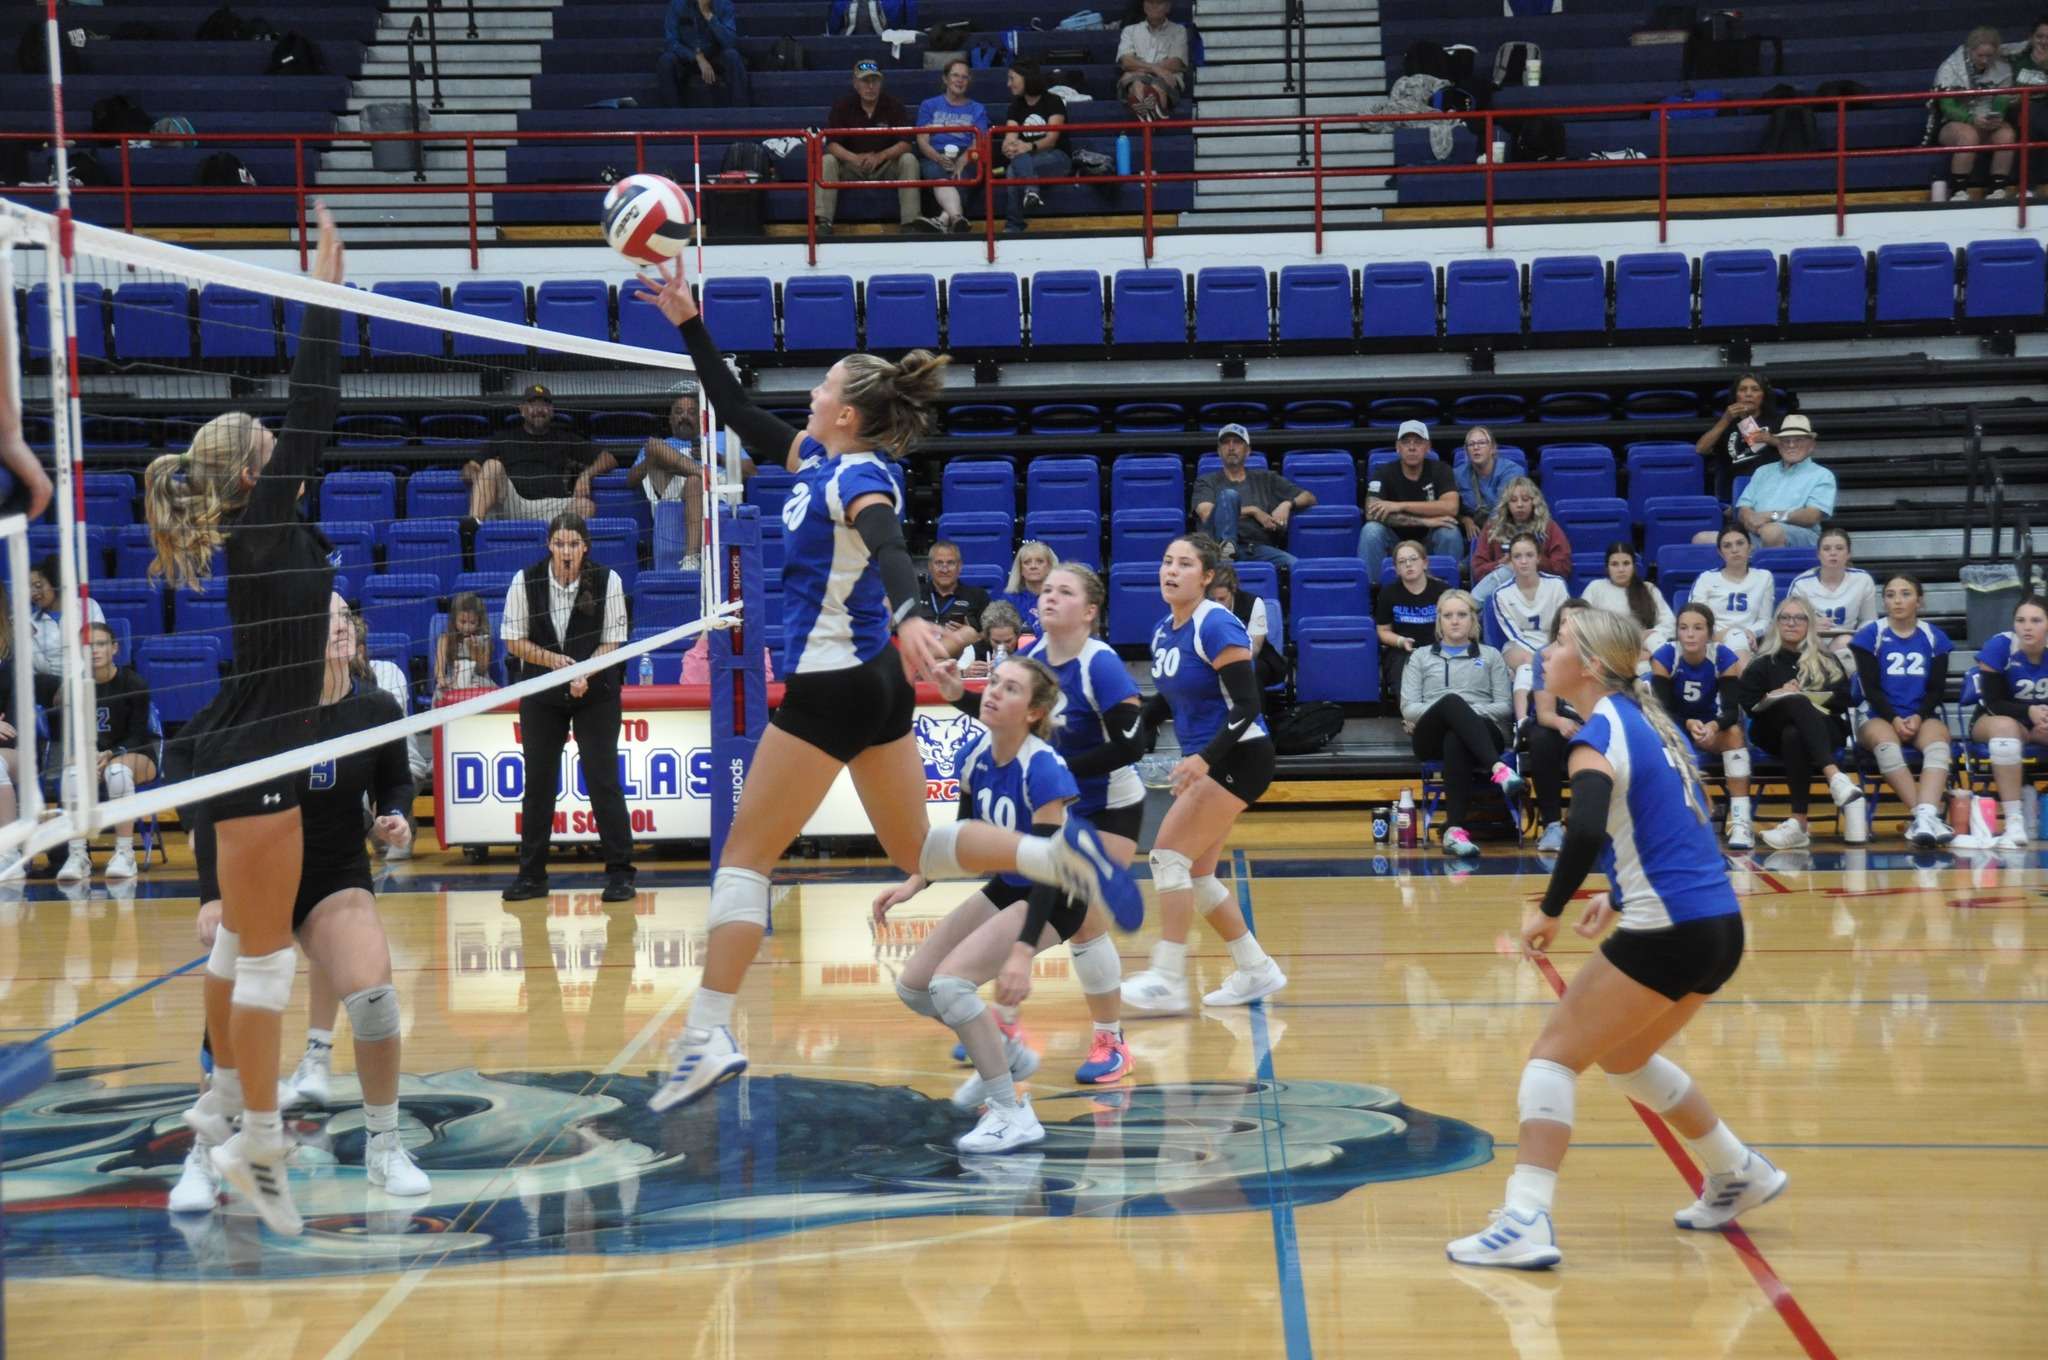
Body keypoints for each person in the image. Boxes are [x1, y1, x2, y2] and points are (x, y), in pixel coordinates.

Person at [630, 255, 1139, 1111]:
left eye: (824, 386)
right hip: (870, 688)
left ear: (849, 411)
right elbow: (739, 411)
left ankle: (708, 1032)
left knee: (745, 859)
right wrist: (688, 320)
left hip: (836, 680)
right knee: (917, 855)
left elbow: (892, 543)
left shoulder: (859, 474)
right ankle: (1039, 854)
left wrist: (910, 616)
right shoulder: (810, 464)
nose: (810, 396)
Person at [1446, 606, 1784, 1271]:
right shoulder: (1650, 726)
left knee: (1551, 1058)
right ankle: (1736, 1169)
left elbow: (1586, 827)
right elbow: (1682, 823)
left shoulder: (1598, 733)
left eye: (1561, 642)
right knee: (1626, 1059)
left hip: (1672, 929)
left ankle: (1525, 1217)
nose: (1547, 652)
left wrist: (1549, 908)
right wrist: (1619, 891)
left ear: (1591, 665)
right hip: (1717, 927)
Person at [144, 202, 346, 1237]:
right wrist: (323, 285)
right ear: (255, 467)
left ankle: (217, 1107)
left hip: (243, 748)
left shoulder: (272, 521)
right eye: (273, 441)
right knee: (264, 963)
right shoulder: (267, 518)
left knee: (235, 956)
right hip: (260, 757)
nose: (286, 437)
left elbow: (304, 414)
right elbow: (315, 395)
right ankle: (259, 1142)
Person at [174, 592, 428, 1212]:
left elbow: (397, 776)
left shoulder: (376, 707)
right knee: (228, 1005)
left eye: (344, 618)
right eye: (325, 618)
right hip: (256, 873)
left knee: (374, 999)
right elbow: (202, 790)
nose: (338, 627)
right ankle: (206, 1153)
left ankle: (384, 1145)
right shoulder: (259, 710)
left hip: (332, 873)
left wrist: (394, 814)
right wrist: (212, 894)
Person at [879, 657, 1102, 1153]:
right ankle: (1008, 1056)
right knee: (915, 988)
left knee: (951, 985)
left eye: (1011, 689)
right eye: (994, 683)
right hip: (1010, 885)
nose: (995, 692)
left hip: (1054, 893)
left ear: (1033, 711)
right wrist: (915, 882)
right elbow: (962, 841)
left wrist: (1023, 951)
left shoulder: (1043, 767)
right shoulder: (975, 756)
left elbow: (1048, 866)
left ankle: (1011, 1112)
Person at [1120, 535, 1287, 1014]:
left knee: (1166, 856)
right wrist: (1127, 726)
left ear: (1207, 576)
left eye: (1185, 564)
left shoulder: (1216, 624)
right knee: (1196, 873)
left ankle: (1169, 978)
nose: (1171, 570)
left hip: (1241, 755)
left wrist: (1205, 759)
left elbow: (1249, 703)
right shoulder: (1163, 630)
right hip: (1214, 758)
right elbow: (1166, 701)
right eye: (1167, 561)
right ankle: (1256, 969)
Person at [499, 512, 636, 904]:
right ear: (549, 546)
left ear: (585, 547)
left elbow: (615, 640)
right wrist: (555, 663)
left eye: (573, 544)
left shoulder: (608, 580)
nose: (566, 552)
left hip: (596, 691)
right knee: (538, 783)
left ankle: (621, 873)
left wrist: (585, 672)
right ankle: (531, 875)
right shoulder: (525, 581)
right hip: (543, 690)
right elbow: (513, 640)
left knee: (603, 779)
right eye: (559, 544)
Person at [1401, 588, 1521, 860]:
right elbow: (1408, 708)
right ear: (1439, 621)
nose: (1455, 621)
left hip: (1483, 731)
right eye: (1448, 615)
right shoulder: (1420, 657)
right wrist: (1452, 709)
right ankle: (1499, 769)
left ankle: (1454, 830)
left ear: (1473, 621)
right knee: (1452, 703)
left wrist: (1467, 714)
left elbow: (1504, 706)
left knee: (1456, 736)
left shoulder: (1491, 656)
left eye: (1462, 615)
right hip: (1430, 734)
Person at [1738, 595, 1866, 850]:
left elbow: (1845, 700)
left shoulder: (1826, 659)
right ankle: (1836, 778)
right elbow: (1749, 704)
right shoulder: (1764, 662)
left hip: (1823, 730)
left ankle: (1798, 823)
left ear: (1809, 623)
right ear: (1776, 623)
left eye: (1799, 618)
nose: (1791, 623)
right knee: (1793, 702)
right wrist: (1775, 696)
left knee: (1794, 733)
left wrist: (1809, 698)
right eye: (1785, 617)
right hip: (1769, 730)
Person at [1851, 575, 1957, 848]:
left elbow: (1936, 690)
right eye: (1890, 594)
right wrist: (1895, 718)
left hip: (1920, 714)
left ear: (1919, 601)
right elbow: (1870, 689)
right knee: (1887, 744)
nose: (1897, 600)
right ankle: (1924, 816)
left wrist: (1918, 716)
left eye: (1905, 593)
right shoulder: (1870, 635)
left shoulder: (1935, 637)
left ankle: (1924, 817)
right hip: (1877, 714)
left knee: (1938, 743)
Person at [53, 622, 158, 883]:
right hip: (92, 757)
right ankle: (78, 856)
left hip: (136, 754)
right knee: (73, 774)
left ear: (114, 648)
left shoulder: (134, 682)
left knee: (118, 772)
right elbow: (68, 736)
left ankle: (125, 853)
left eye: (101, 644)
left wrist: (111, 753)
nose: (95, 651)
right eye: (88, 646)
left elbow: (137, 734)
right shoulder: (75, 688)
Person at [1651, 602, 1754, 851]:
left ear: (1709, 632)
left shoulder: (1723, 657)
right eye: (1684, 628)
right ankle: (1669, 824)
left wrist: (1714, 726)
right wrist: (1687, 723)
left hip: (1709, 729)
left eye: (1697, 628)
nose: (1690, 634)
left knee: (1735, 734)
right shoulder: (1665, 656)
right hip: (1672, 728)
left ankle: (1741, 821)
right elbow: (1661, 711)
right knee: (1658, 738)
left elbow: (1731, 710)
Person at [632, 389, 747, 571]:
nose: (684, 416)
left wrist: (717, 458)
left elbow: (752, 471)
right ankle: (703, 474)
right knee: (653, 445)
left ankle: (691, 558)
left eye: (692, 412)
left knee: (694, 481)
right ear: (670, 419)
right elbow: (630, 480)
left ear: (702, 418)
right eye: (678, 412)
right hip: (672, 492)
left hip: (717, 493)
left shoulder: (721, 438)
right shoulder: (664, 444)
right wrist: (659, 461)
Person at [468, 384, 609, 524]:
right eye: (533, 405)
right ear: (522, 410)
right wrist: (480, 480)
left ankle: (562, 543)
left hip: (552, 508)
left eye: (544, 405)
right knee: (492, 466)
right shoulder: (504, 437)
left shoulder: (565, 438)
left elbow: (608, 458)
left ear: (552, 411)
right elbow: (470, 467)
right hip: (513, 505)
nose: (539, 410)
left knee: (586, 506)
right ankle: (473, 528)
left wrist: (586, 475)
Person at [1970, 595, 2047, 846]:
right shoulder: (1999, 646)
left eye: (2036, 620)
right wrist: (2030, 713)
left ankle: (2032, 803)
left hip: (2038, 723)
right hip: (1993, 718)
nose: (2027, 626)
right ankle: (2014, 822)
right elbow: (1992, 702)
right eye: (2020, 620)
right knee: (2006, 729)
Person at [1523, 598, 1595, 855]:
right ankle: (1552, 824)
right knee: (1541, 737)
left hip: (1596, 723)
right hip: (1561, 723)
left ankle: (1592, 826)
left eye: (1579, 621)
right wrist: (1562, 722)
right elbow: (1544, 713)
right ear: (1558, 627)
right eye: (1566, 621)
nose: (1571, 628)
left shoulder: (1603, 654)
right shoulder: (1544, 655)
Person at [817, 60, 921, 235]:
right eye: (865, 81)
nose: (870, 86)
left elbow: (906, 144)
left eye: (875, 81)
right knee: (826, 160)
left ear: (881, 83)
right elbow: (832, 145)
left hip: (885, 165)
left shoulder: (894, 105)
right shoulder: (842, 106)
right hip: (851, 166)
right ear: (855, 83)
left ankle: (910, 223)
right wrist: (855, 159)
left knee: (909, 160)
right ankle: (824, 222)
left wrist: (880, 156)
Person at [1191, 423, 1314, 569]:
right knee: (1229, 496)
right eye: (1225, 443)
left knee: (1296, 566)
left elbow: (1309, 497)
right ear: (1219, 451)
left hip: (1255, 549)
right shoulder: (1206, 481)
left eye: (1237, 442)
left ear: (1248, 451)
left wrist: (1287, 504)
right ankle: (1226, 554)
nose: (1231, 447)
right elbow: (1206, 513)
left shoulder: (1266, 478)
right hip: (1215, 550)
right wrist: (1253, 511)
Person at [1360, 420, 1463, 585]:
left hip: (1430, 539)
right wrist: (1425, 520)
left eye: (1418, 442)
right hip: (1394, 543)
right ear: (1397, 447)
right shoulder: (1384, 472)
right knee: (1371, 530)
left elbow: (1451, 507)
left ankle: (1448, 594)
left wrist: (1400, 505)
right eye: (1406, 442)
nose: (1412, 447)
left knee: (1449, 531)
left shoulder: (1441, 469)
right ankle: (1373, 594)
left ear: (1428, 447)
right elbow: (1372, 513)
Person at [1715, 415, 1834, 550]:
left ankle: (1768, 570)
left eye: (1799, 440)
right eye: (1785, 440)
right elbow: (1743, 508)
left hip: (1800, 536)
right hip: (1755, 532)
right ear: (1779, 445)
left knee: (1771, 531)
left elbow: (1812, 516)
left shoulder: (1822, 475)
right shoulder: (1763, 471)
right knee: (1704, 538)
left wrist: (1772, 516)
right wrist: (1750, 521)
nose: (1791, 445)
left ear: (1811, 445)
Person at [1931, 27, 2017, 201]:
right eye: (1980, 56)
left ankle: (1997, 188)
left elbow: (2002, 100)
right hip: (1954, 122)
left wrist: (1996, 117)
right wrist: (1970, 119)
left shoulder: (2002, 67)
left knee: (2007, 135)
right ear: (1970, 50)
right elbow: (1947, 106)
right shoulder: (1951, 67)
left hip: (1985, 119)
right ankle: (1959, 191)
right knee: (1968, 136)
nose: (1985, 60)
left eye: (1990, 56)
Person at [913, 58, 989, 234]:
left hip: (966, 154)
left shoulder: (977, 108)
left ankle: (943, 220)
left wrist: (962, 160)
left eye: (964, 77)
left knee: (966, 172)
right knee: (937, 174)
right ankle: (956, 218)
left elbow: (980, 139)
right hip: (935, 154)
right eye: (955, 75)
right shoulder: (929, 105)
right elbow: (922, 139)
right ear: (945, 79)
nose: (960, 80)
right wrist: (938, 158)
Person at [1470, 476, 1571, 606]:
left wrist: (1533, 561)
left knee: (1517, 566)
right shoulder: (1493, 527)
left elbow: (1563, 568)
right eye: (1513, 500)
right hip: (1502, 589)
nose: (1519, 505)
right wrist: (1502, 563)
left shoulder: (1549, 527)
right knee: (1509, 569)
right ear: (1506, 504)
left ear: (1534, 502)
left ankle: (1469, 605)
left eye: (1525, 499)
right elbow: (1478, 568)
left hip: (1540, 587)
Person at [26, 555, 106, 706]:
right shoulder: (28, 622)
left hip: (88, 679)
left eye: (38, 585)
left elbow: (97, 651)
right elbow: (40, 669)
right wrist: (28, 640)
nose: (33, 593)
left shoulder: (88, 606)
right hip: (51, 688)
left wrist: (71, 684)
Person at [999, 59, 1068, 233]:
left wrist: (1028, 147)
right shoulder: (1016, 106)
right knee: (1013, 168)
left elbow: (1052, 139)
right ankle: (1031, 191)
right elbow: (1010, 137)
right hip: (1026, 159)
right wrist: (1008, 147)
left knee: (1013, 169)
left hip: (1057, 157)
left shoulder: (1053, 101)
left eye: (1012, 78)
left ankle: (1014, 225)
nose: (1008, 84)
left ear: (1026, 78)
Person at [1488, 532, 1572, 672]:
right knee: (1527, 662)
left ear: (1538, 558)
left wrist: (1553, 650)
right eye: (1517, 556)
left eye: (1529, 555)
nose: (1523, 561)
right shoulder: (1501, 594)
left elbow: (1566, 624)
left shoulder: (1557, 585)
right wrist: (1542, 657)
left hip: (1556, 642)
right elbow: (1515, 636)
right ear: (1510, 560)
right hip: (1519, 647)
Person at [1375, 539, 1449, 699]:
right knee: (1403, 671)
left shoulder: (1443, 591)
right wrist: (1401, 641)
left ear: (1425, 563)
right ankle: (1412, 717)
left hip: (1439, 647)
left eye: (1413, 559)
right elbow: (1382, 631)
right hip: (1403, 650)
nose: (1408, 564)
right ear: (1396, 569)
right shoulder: (1388, 594)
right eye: (1402, 562)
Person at [1788, 524, 1877, 657]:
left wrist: (1858, 638)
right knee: (1812, 642)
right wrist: (1809, 624)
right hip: (1811, 638)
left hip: (1846, 640)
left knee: (1845, 642)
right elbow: (1789, 620)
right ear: (1818, 554)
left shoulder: (1863, 580)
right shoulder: (1802, 584)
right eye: (1826, 548)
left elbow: (1869, 620)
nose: (1833, 553)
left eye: (1839, 548)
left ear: (1848, 554)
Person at [1693, 370, 1782, 498]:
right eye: (1742, 389)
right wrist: (1725, 420)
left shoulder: (1778, 421)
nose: (1748, 394)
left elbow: (1796, 448)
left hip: (1770, 489)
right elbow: (1701, 449)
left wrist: (1771, 439)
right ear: (1736, 396)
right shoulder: (1726, 424)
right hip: (1735, 490)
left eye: (1755, 389)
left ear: (1764, 396)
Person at [1690, 525, 1775, 655]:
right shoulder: (1706, 578)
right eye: (1727, 546)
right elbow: (1696, 618)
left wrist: (1750, 632)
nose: (1734, 550)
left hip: (1750, 641)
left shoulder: (1764, 577)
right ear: (1720, 552)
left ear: (1750, 547)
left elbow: (1765, 620)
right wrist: (1721, 634)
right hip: (1713, 642)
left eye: (1740, 543)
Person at [1581, 542, 1675, 656]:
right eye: (1615, 564)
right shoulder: (1595, 587)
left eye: (1626, 563)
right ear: (1607, 567)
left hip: (1643, 650)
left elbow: (1669, 622)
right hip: (1606, 651)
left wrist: (1652, 633)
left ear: (1634, 566)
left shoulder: (1649, 589)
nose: (1621, 569)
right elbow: (1581, 622)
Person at [1210, 560, 1288, 691]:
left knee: (1248, 670)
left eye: (1222, 599)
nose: (1217, 604)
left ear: (1233, 589)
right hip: (1214, 659)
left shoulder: (1254, 603)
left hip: (1257, 660)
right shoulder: (1204, 604)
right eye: (1213, 599)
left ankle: (1254, 712)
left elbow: (1255, 649)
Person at [657, 0, 749, 108]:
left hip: (715, 55)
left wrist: (708, 15)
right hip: (687, 57)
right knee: (666, 60)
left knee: (732, 56)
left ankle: (740, 112)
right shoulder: (677, 4)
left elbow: (730, 42)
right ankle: (674, 115)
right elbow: (671, 42)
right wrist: (696, 56)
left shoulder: (724, 4)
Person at [1117, 0, 1190, 120]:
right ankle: (1154, 116)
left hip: (1164, 79)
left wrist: (1141, 68)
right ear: (1144, 6)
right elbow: (1126, 62)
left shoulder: (1179, 31)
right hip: (1139, 77)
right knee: (1137, 85)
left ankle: (1148, 119)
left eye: (1159, 3)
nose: (1154, 6)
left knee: (1156, 87)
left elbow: (1176, 63)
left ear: (1168, 7)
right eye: (1150, 2)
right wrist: (1156, 69)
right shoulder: (1129, 31)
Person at [919, 538, 990, 659]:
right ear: (930, 566)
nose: (944, 569)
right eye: (939, 563)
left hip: (959, 658)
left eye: (950, 563)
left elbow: (990, 633)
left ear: (960, 566)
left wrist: (971, 635)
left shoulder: (977, 595)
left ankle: (925, 662)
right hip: (921, 646)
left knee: (968, 633)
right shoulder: (915, 593)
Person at [1455, 426, 1518, 542]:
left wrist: (1485, 535)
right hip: (1474, 530)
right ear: (1466, 451)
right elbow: (1452, 507)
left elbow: (1504, 507)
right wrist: (1465, 519)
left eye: (1482, 443)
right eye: (1471, 444)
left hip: (1506, 526)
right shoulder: (1458, 474)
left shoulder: (1511, 471)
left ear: (1493, 448)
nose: (1476, 447)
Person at [436, 591, 497, 695]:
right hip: (454, 682)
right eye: (463, 622)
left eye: (472, 622)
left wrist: (474, 651)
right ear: (454, 620)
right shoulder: (445, 639)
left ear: (479, 622)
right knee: (440, 693)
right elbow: (439, 667)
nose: (467, 627)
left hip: (479, 682)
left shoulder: (484, 639)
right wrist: (441, 679)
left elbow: (482, 670)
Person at [960, 599, 1028, 676]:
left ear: (1018, 635)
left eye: (1008, 641)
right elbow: (954, 673)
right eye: (996, 642)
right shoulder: (974, 650)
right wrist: (965, 672)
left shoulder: (1029, 650)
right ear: (988, 637)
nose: (1002, 647)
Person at [1002, 539, 1057, 634]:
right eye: (1027, 562)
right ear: (1021, 569)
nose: (1033, 566)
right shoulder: (1009, 600)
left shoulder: (1061, 598)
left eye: (1039, 561)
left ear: (1049, 567)